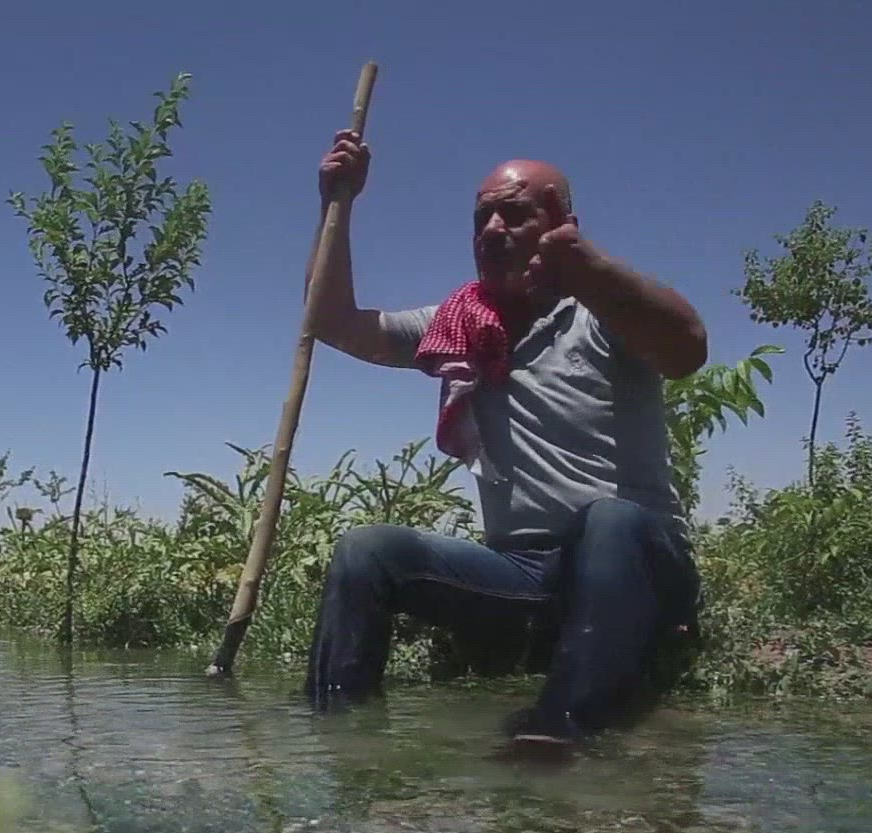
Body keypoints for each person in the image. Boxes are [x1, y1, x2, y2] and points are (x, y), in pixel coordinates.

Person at [301, 129, 709, 750]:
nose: (492, 230)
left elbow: (686, 349)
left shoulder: (606, 310)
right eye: (481, 219)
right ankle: (337, 734)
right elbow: (332, 323)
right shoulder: (460, 325)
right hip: (527, 575)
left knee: (609, 519)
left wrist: (593, 273)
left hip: (639, 565)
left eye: (514, 215)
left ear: (562, 225)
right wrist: (339, 202)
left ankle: (558, 732)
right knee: (367, 550)